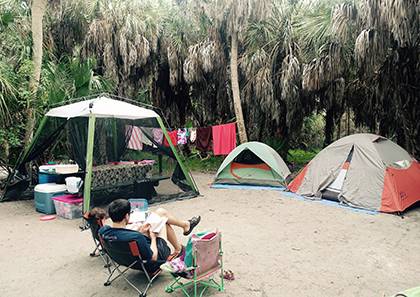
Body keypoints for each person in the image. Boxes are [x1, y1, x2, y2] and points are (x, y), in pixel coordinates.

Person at [98, 199, 201, 273]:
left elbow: (124, 234)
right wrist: (153, 237)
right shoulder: (136, 237)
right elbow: (153, 257)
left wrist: (140, 231)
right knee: (162, 220)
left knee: (160, 216)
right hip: (151, 264)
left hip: (127, 261)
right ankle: (181, 239)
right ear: (126, 216)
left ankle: (182, 238)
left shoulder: (103, 231)